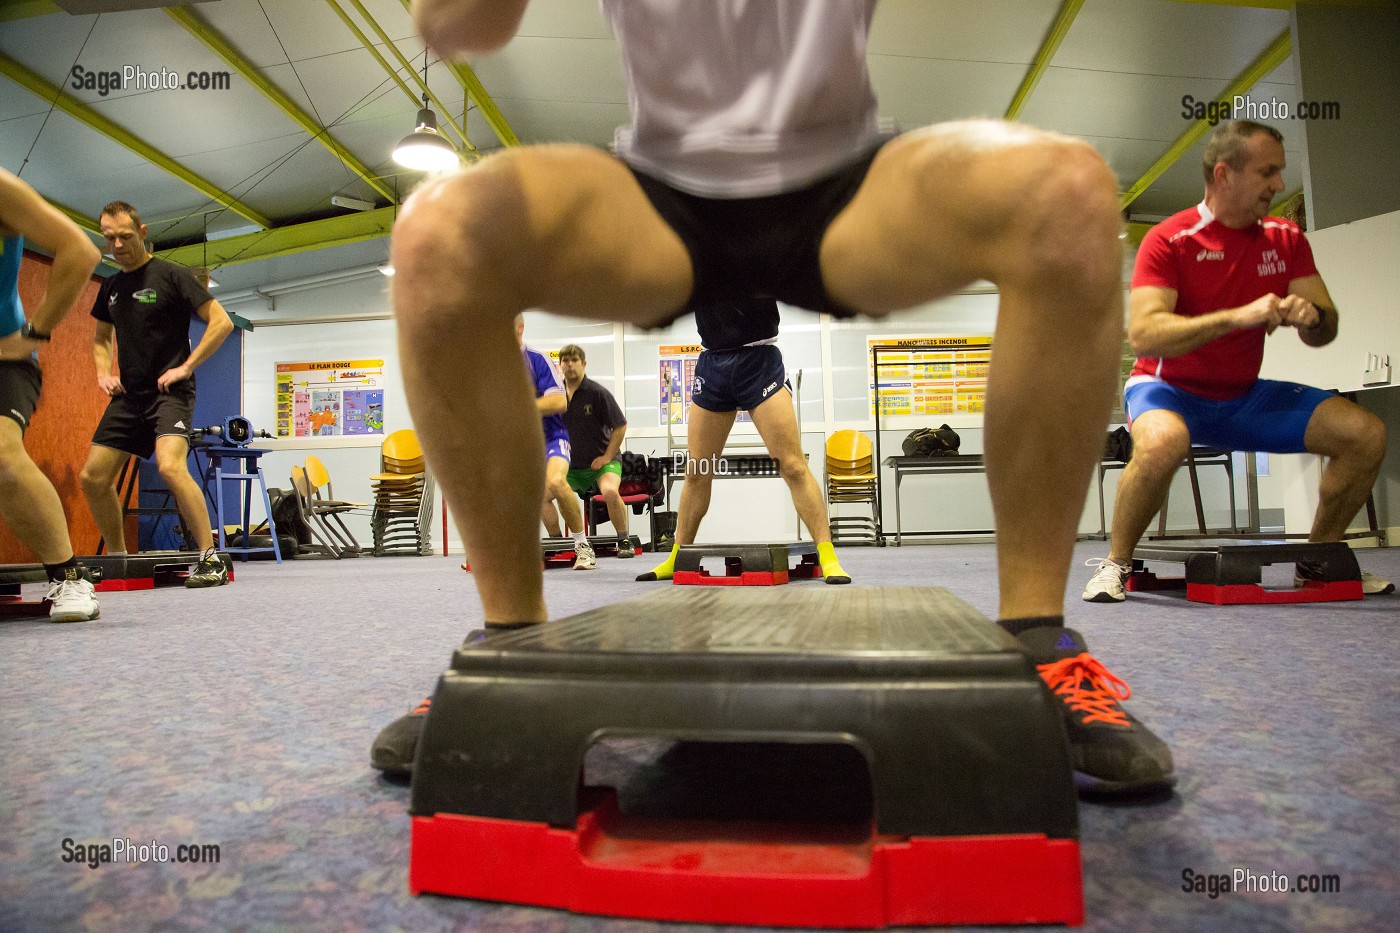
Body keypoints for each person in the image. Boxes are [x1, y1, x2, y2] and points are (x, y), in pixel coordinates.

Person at [377, 0, 1171, 796]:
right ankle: (512, 639)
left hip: (845, 181)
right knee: (437, 234)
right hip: (661, 194)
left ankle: (1037, 635)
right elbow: (458, 31)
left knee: (1066, 191)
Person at [1083, 120, 1391, 603]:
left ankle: (1318, 561)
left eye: (1280, 172)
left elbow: (1324, 331)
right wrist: (1235, 316)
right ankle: (1116, 563)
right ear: (1224, 174)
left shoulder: (1285, 240)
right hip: (1167, 391)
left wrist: (1310, 317)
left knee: (1365, 434)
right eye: (1268, 172)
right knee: (1164, 443)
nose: (1279, 185)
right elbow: (1145, 335)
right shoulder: (1170, 240)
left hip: (1243, 395)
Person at [636, 297, 850, 584]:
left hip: (758, 359)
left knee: (793, 466)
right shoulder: (698, 255)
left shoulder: (756, 253)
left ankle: (828, 556)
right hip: (713, 364)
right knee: (697, 471)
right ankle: (677, 556)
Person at [80, 201, 234, 588]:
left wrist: (186, 366)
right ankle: (118, 558)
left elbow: (222, 322)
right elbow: (101, 337)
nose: (117, 245)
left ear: (143, 232)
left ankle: (209, 556)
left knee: (170, 467)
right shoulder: (111, 286)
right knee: (93, 478)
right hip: (130, 395)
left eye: (125, 237)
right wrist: (103, 373)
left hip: (171, 393)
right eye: (109, 237)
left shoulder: (171, 276)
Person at [0, 169, 102, 622]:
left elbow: (80, 252)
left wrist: (34, 333)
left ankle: (69, 577)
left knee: (2, 457)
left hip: (5, 355)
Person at [541, 343, 636, 558]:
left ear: (583, 364)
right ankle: (557, 542)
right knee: (541, 497)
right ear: (560, 365)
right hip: (569, 466)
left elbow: (620, 426)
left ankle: (624, 540)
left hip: (602, 463)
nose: (570, 365)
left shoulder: (597, 393)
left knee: (610, 491)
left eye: (575, 360)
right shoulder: (554, 396)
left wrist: (606, 457)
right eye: (566, 361)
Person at [518, 317, 596, 570]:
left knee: (556, 482)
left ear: (518, 328)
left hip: (552, 438)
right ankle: (556, 544)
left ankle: (583, 546)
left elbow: (559, 402)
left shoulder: (537, 360)